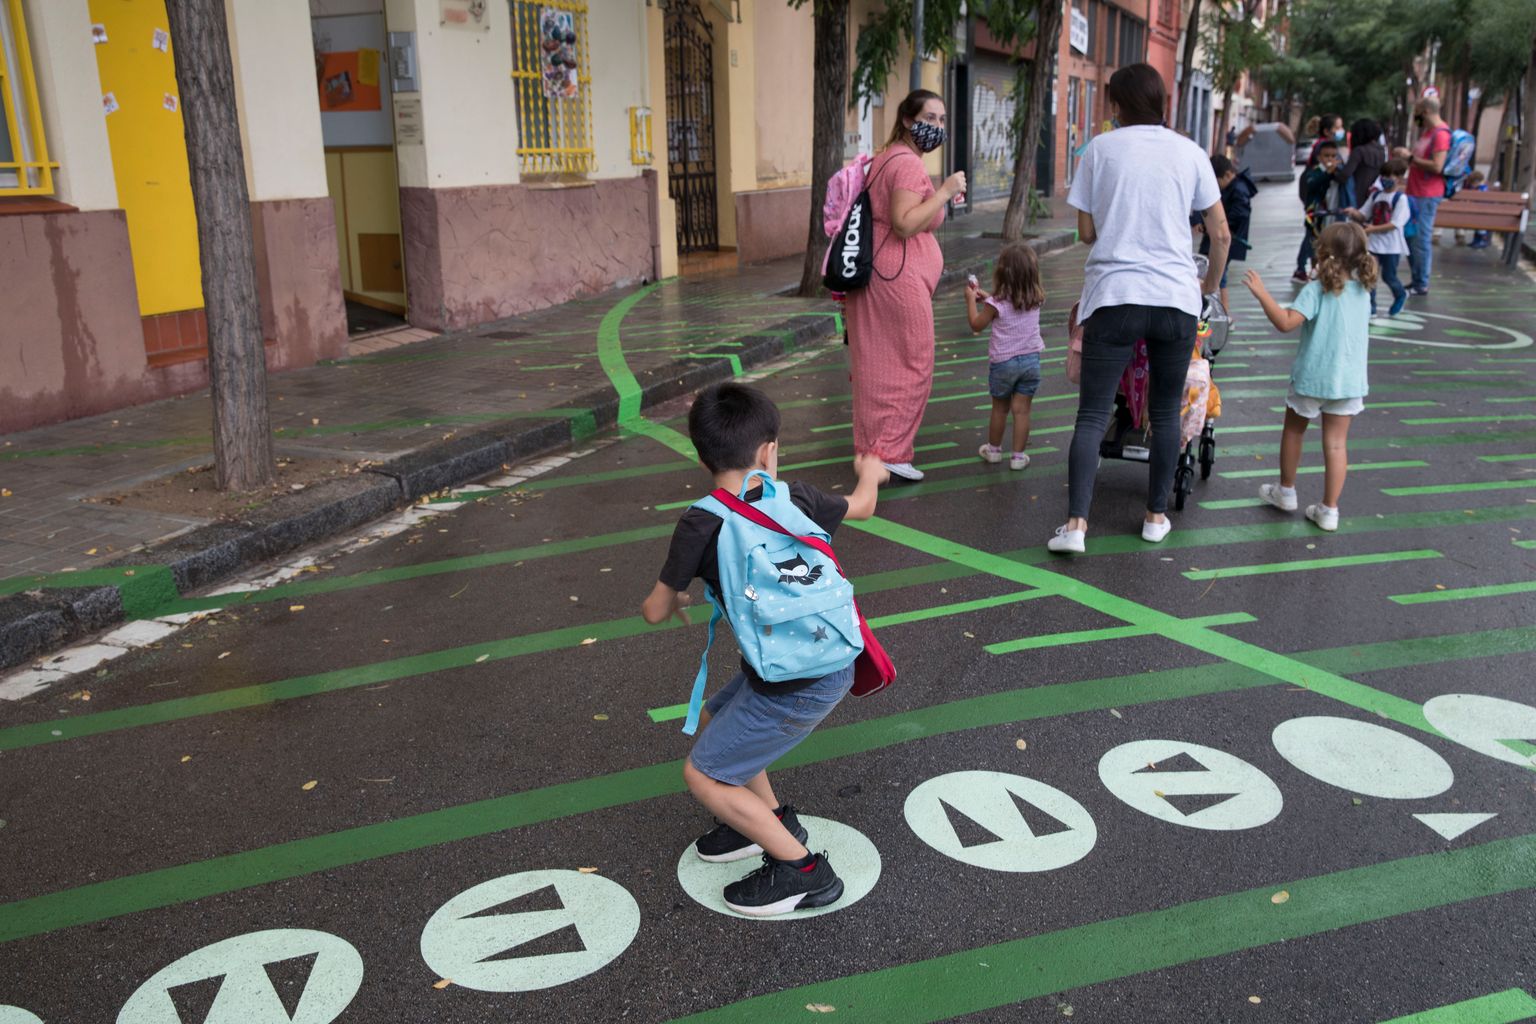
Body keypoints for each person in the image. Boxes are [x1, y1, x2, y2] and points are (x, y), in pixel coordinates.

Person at [642, 382, 888, 916]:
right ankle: (768, 821)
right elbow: (864, 505)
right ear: (767, 451)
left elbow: (655, 610)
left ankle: (803, 872)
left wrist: (681, 591)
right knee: (717, 720)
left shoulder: (699, 521)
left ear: (701, 454)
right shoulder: (796, 498)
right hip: (823, 662)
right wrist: (870, 473)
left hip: (793, 680)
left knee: (702, 774)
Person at [1048, 63, 1230, 555]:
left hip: (1114, 295)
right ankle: (1154, 517)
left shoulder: (1099, 151)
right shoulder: (1191, 152)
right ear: (1163, 103)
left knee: (1091, 416)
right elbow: (1221, 233)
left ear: (1114, 104)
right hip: (1176, 299)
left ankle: (1077, 527)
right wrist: (1206, 288)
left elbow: (1086, 233)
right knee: (1166, 413)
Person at [843, 89, 967, 482]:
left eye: (943, 119)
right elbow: (903, 222)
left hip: (877, 272)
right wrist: (945, 191)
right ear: (909, 120)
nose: (937, 127)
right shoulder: (908, 164)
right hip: (895, 277)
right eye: (930, 118)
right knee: (913, 360)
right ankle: (890, 451)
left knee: (877, 361)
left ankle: (872, 452)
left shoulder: (887, 156)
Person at [1243, 222, 1376, 533]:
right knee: (1337, 444)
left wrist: (1263, 295)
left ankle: (1286, 492)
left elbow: (1286, 323)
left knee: (1294, 431)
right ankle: (1329, 510)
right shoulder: (1364, 292)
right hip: (1349, 381)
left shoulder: (1316, 291)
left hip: (1313, 377)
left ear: (1323, 253)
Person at [966, 243, 1046, 470]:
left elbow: (976, 324)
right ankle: (1018, 457)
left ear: (1001, 273)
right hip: (1031, 362)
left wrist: (971, 301)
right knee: (1022, 410)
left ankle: (993, 451)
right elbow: (1014, 303)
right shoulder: (1037, 297)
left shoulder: (996, 304)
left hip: (1004, 364)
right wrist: (990, 298)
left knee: (1000, 408)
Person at [1343, 157, 1410, 317]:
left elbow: (1395, 223)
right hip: (1373, 244)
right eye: (1384, 175)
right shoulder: (1375, 196)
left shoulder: (1400, 199)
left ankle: (1401, 295)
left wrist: (1372, 229)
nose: (1386, 179)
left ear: (1399, 178)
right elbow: (1364, 214)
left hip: (1391, 246)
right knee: (1368, 274)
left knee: (1389, 276)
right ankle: (1370, 306)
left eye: (1391, 176)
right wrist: (1353, 212)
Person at [1406, 95, 1452, 296]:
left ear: (1425, 111)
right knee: (1411, 237)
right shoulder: (1428, 132)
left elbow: (1437, 166)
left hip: (1427, 193)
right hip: (1415, 192)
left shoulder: (1440, 134)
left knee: (1421, 238)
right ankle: (1417, 279)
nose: (1415, 116)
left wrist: (1409, 158)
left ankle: (1421, 283)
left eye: (1417, 111)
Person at [1201, 155, 1256, 313]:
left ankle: (1224, 314)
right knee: (1219, 278)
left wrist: (1215, 224)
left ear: (1226, 175)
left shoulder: (1238, 189)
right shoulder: (1235, 187)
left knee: (1219, 279)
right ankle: (1222, 313)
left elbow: (1240, 214)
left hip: (1228, 241)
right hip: (1224, 239)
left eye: (1216, 181)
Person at [1293, 139, 1340, 282]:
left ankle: (1314, 268)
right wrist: (1327, 173)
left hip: (1326, 214)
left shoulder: (1334, 172)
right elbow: (1312, 184)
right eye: (1327, 156)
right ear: (1319, 157)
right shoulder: (1314, 171)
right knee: (1311, 241)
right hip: (1313, 214)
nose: (1330, 159)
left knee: (1318, 241)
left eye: (1333, 156)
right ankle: (1302, 268)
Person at [1335, 119, 1385, 210]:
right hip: (1374, 195)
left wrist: (1333, 173)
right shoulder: (1381, 151)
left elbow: (1345, 175)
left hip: (1357, 197)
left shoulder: (1359, 151)